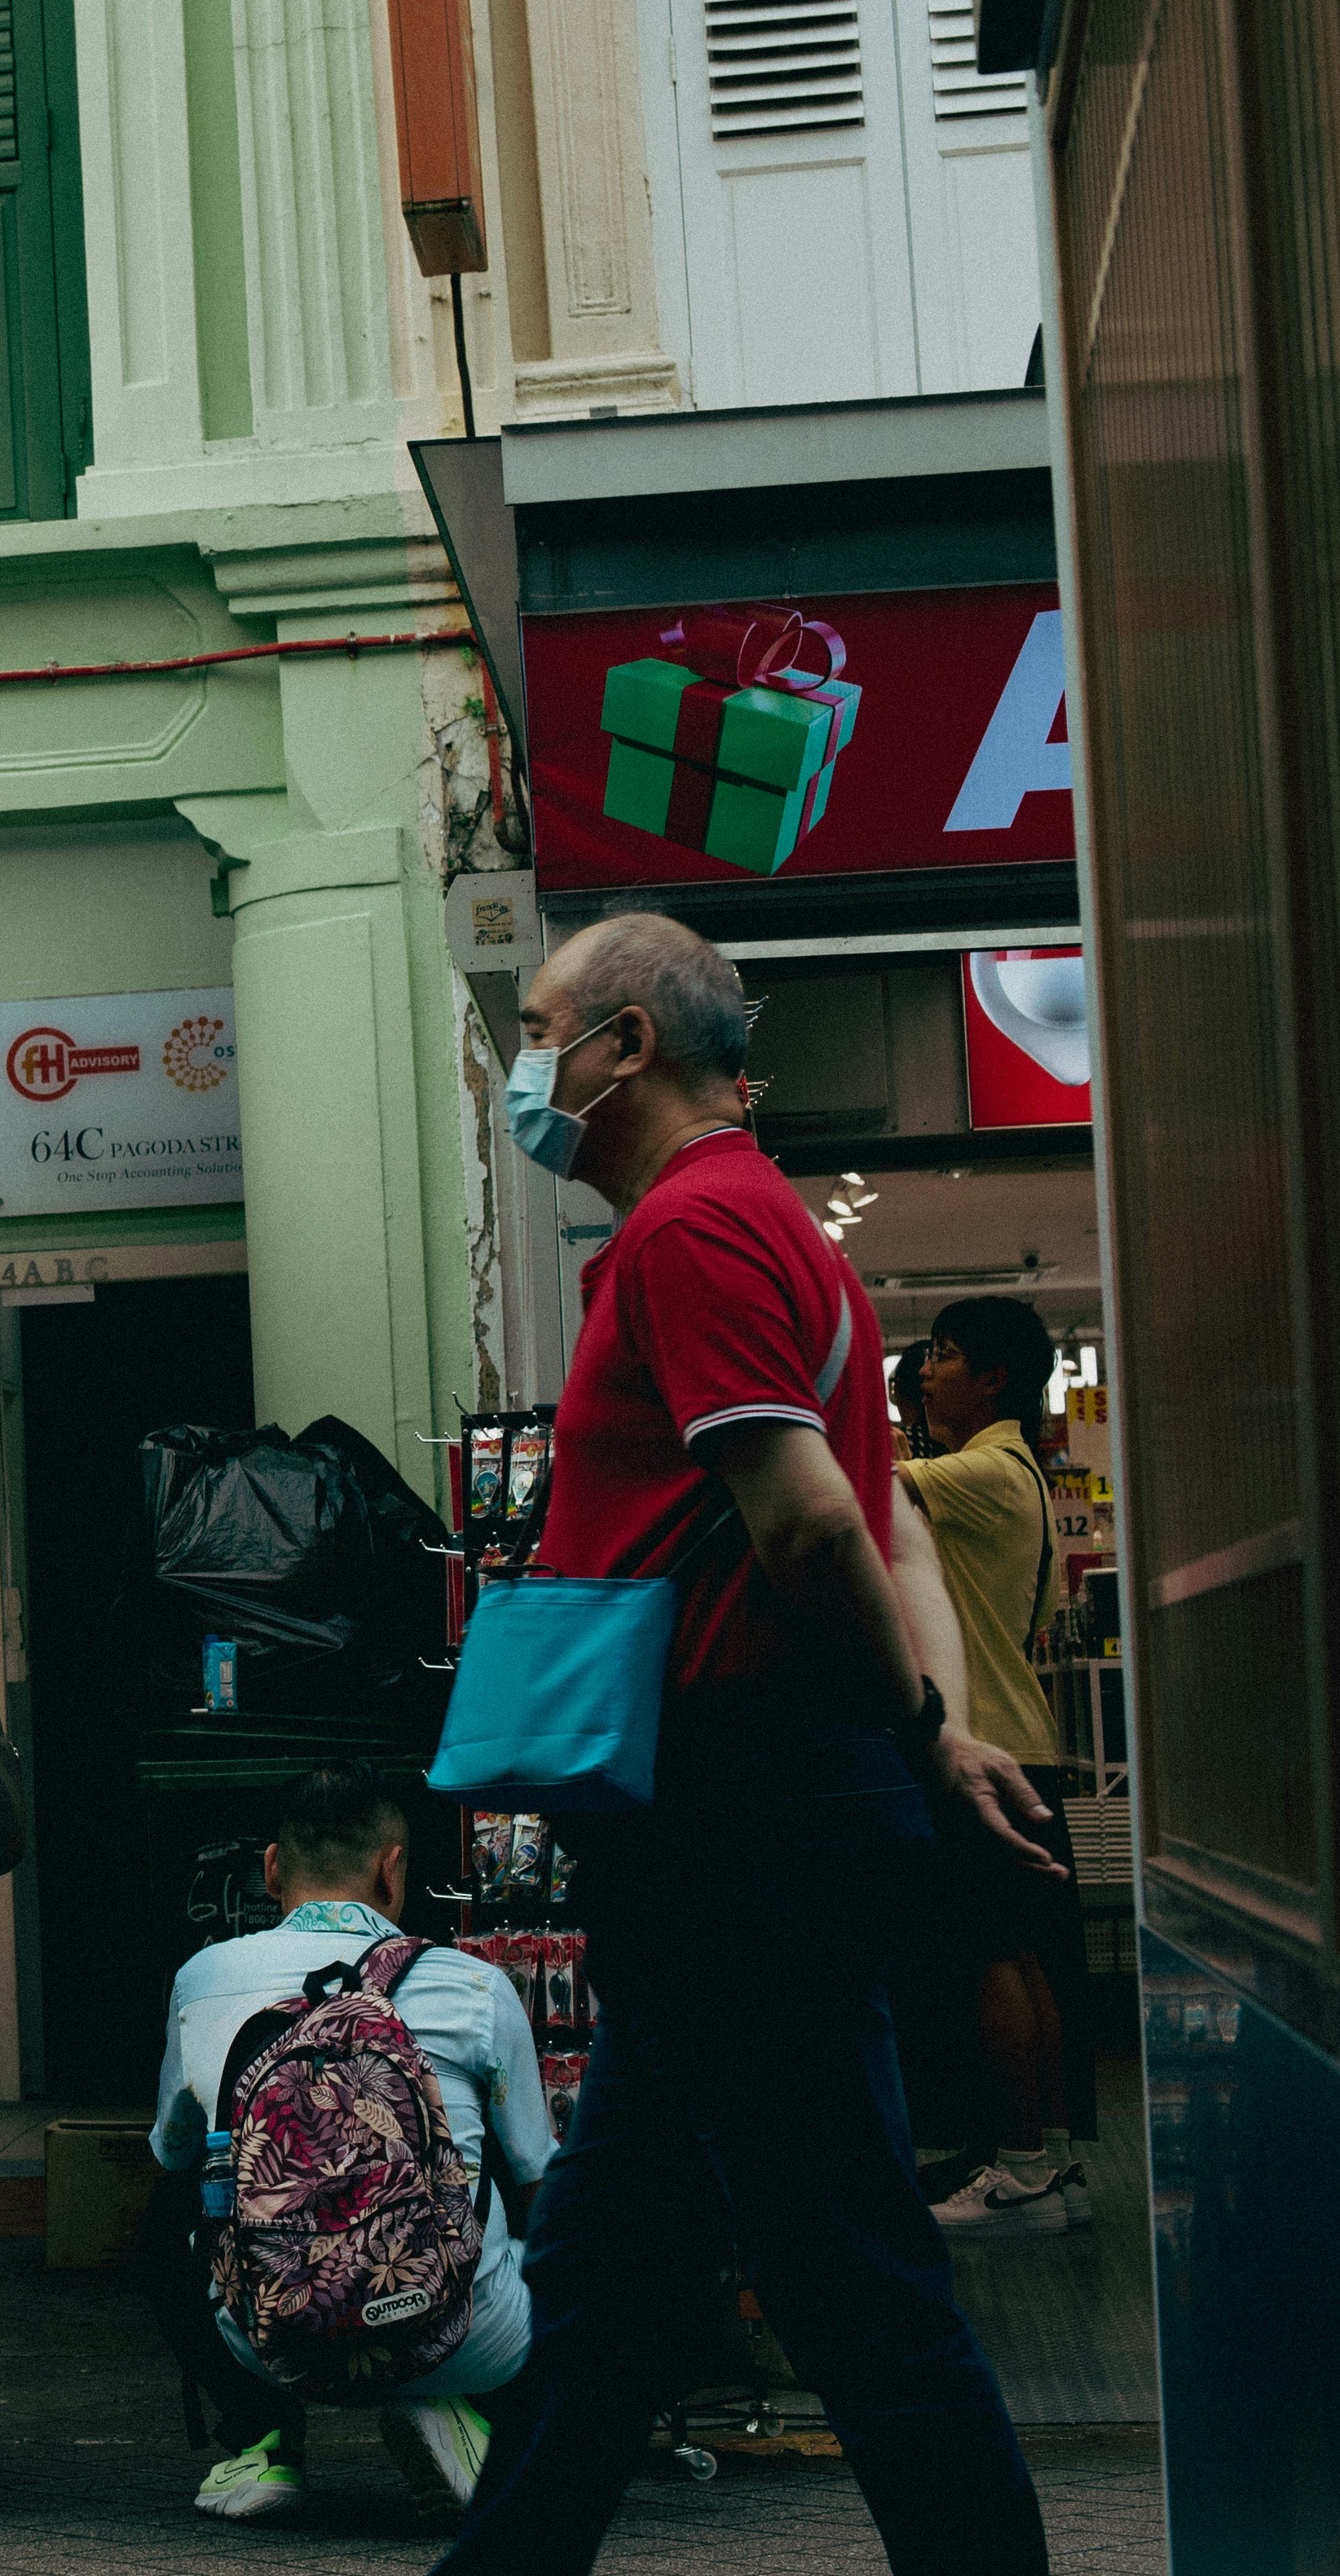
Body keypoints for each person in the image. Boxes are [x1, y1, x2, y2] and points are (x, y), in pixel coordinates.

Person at [437, 913, 1061, 2576]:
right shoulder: (770, 1228)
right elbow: (890, 1535)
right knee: (617, 2253)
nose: (524, 1061)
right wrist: (929, 1731)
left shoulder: (691, 1233)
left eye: (540, 1023)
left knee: (841, 2261)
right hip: (740, 1810)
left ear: (625, 1042)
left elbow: (807, 1528)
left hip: (737, 1808)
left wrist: (923, 1733)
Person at [144, 1764, 553, 2526]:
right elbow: (539, 2178)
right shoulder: (475, 1987)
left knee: (179, 2201)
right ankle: (465, 2407)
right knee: (501, 2165)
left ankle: (263, 2439)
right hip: (467, 2334)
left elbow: (170, 2153)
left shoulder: (202, 1978)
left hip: (275, 2338)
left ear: (270, 1868)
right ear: (392, 1867)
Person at [900, 1297, 1091, 2236]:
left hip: (987, 1747)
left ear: (993, 1379)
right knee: (1021, 1952)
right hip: (1024, 1744)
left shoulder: (981, 1472)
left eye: (940, 1357)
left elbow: (866, 1490)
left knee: (988, 1956)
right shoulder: (1023, 1477)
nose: (925, 1373)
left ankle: (1015, 2167)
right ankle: (1047, 2158)